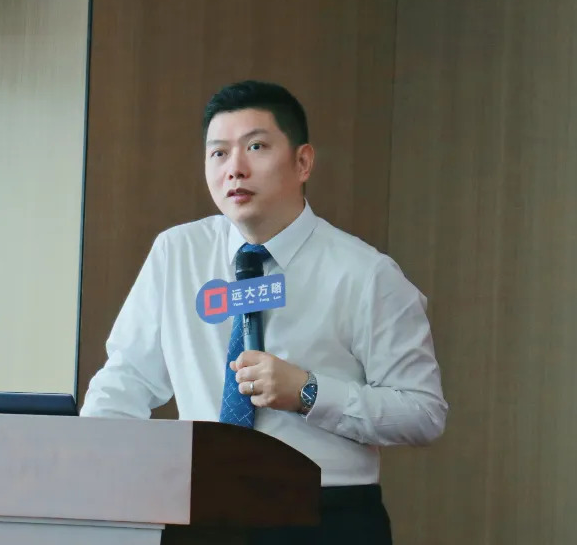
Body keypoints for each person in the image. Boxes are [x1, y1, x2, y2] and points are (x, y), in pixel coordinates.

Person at [79, 80, 449, 545]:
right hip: (199, 512)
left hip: (324, 517)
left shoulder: (367, 275)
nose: (235, 168)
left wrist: (309, 392)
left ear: (303, 162)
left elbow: (423, 413)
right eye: (218, 153)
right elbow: (127, 378)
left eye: (255, 147)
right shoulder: (178, 253)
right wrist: (87, 468)